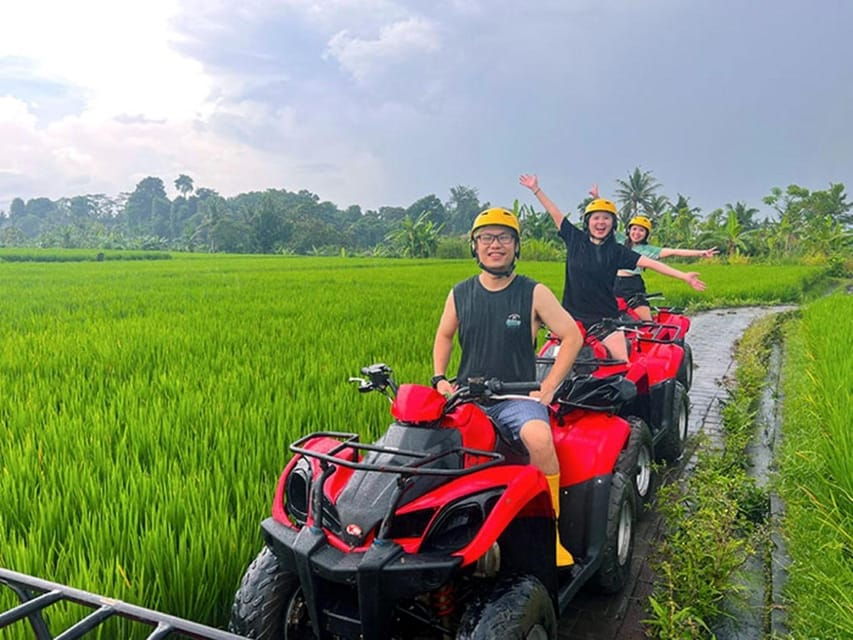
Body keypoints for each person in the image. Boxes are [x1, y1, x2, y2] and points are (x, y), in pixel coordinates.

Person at [432, 207, 583, 566]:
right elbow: (444, 335)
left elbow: (572, 336)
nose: (495, 245)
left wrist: (549, 386)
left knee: (539, 439)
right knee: (430, 446)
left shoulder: (533, 292)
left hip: (516, 397)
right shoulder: (460, 293)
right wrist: (440, 379)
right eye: (486, 238)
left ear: (516, 246)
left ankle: (550, 532)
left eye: (504, 238)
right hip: (468, 397)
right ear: (475, 246)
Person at [519, 174, 707, 362]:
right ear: (588, 221)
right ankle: (520, 362)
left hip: (605, 320)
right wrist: (536, 189)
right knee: (548, 355)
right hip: (571, 317)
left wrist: (684, 276)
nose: (601, 222)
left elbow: (651, 263)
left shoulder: (617, 251)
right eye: (596, 218)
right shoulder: (575, 239)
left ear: (613, 223)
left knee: (622, 363)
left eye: (606, 218)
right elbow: (554, 212)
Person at [615, 214, 719, 321]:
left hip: (632, 285)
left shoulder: (649, 250)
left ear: (646, 234)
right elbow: (606, 223)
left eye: (641, 230)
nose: (637, 233)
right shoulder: (619, 240)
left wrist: (700, 253)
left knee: (645, 320)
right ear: (629, 230)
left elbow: (674, 251)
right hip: (613, 283)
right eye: (634, 229)